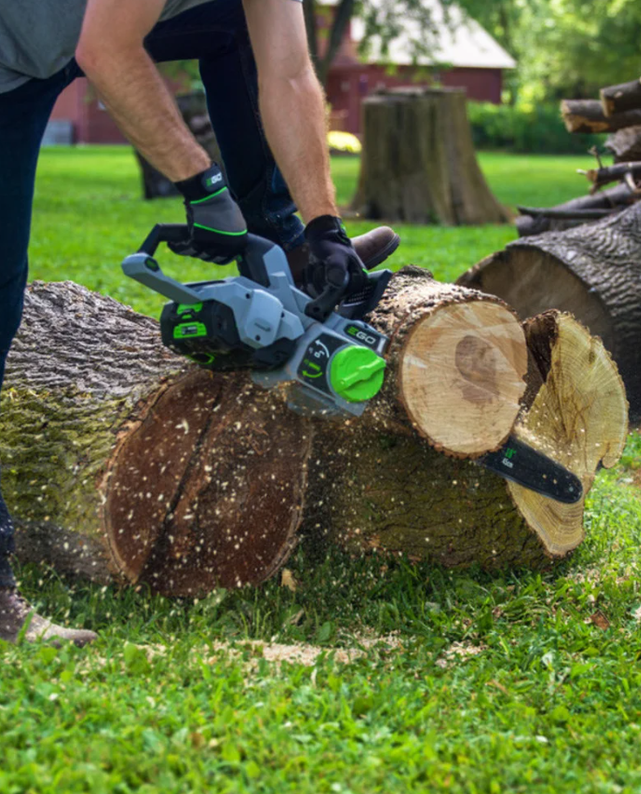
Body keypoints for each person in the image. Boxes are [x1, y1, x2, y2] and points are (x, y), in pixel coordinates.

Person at [0, 0, 399, 646]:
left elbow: (290, 72)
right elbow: (105, 49)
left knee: (237, 25)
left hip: (60, 34)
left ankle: (290, 251)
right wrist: (202, 186)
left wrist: (324, 227)